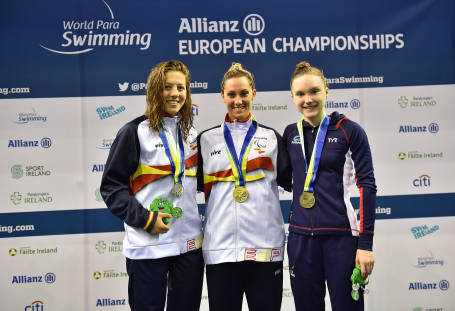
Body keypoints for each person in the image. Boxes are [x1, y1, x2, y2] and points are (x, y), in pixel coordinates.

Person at [100, 60, 204, 311]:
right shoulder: (134, 131)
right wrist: (146, 219)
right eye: (167, 87)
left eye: (181, 87)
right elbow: (111, 188)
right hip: (149, 244)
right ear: (155, 90)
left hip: (189, 247)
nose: (175, 93)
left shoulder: (191, 135)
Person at [196, 63, 292, 311]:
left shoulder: (272, 138)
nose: (238, 100)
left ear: (254, 94)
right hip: (220, 250)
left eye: (244, 93)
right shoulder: (206, 140)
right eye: (231, 94)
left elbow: (295, 183)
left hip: (265, 248)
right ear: (222, 97)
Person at [283, 61, 376, 311]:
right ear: (292, 97)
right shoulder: (290, 134)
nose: (308, 99)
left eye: (314, 91)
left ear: (326, 91)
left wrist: (365, 245)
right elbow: (281, 179)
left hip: (342, 239)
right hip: (301, 240)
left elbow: (367, 185)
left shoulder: (349, 131)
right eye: (300, 94)